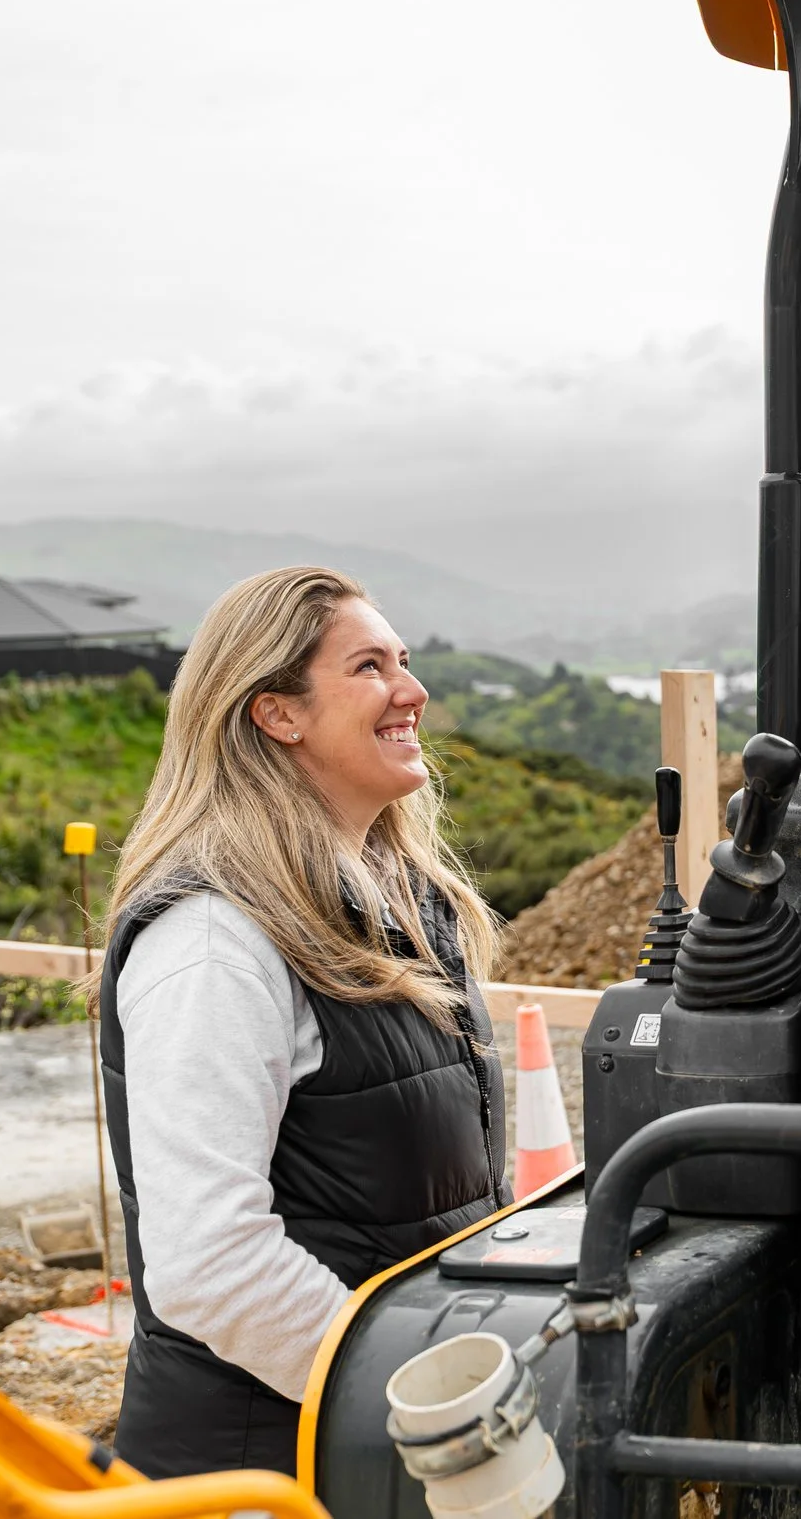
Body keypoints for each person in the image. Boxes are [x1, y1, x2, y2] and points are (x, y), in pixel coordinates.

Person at [97, 567, 510, 1476]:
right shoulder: (212, 937)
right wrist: (423, 1392)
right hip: (262, 1467)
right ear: (277, 714)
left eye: (403, 659)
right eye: (369, 666)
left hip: (370, 1446)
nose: (412, 689)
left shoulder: (394, 902)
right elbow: (212, 1265)